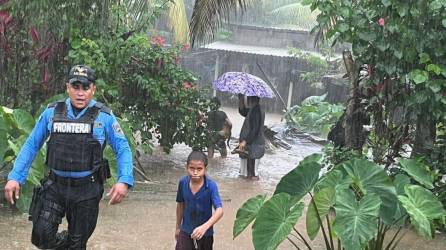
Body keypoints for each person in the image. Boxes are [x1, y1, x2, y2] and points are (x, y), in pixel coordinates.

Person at [3, 65, 134, 249]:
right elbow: (32, 144)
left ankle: (73, 243)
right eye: (76, 87)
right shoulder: (52, 113)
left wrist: (124, 180)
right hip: (55, 186)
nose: (80, 93)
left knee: (77, 244)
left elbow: (123, 148)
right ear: (68, 88)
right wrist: (15, 177)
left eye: (85, 88)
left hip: (87, 190)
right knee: (41, 236)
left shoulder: (104, 117)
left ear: (93, 89)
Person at [175, 151, 224, 250]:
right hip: (186, 230)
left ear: (205, 169)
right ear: (187, 167)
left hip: (205, 234)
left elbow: (219, 211)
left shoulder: (211, 186)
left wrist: (204, 227)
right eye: (192, 168)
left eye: (199, 169)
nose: (195, 172)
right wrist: (177, 227)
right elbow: (180, 205)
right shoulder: (183, 182)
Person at [237, 94, 265, 180]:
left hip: (254, 146)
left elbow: (255, 129)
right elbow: (243, 112)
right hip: (252, 145)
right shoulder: (253, 109)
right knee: (248, 173)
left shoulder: (256, 111)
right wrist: (241, 99)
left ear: (250, 99)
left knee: (252, 174)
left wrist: (245, 141)